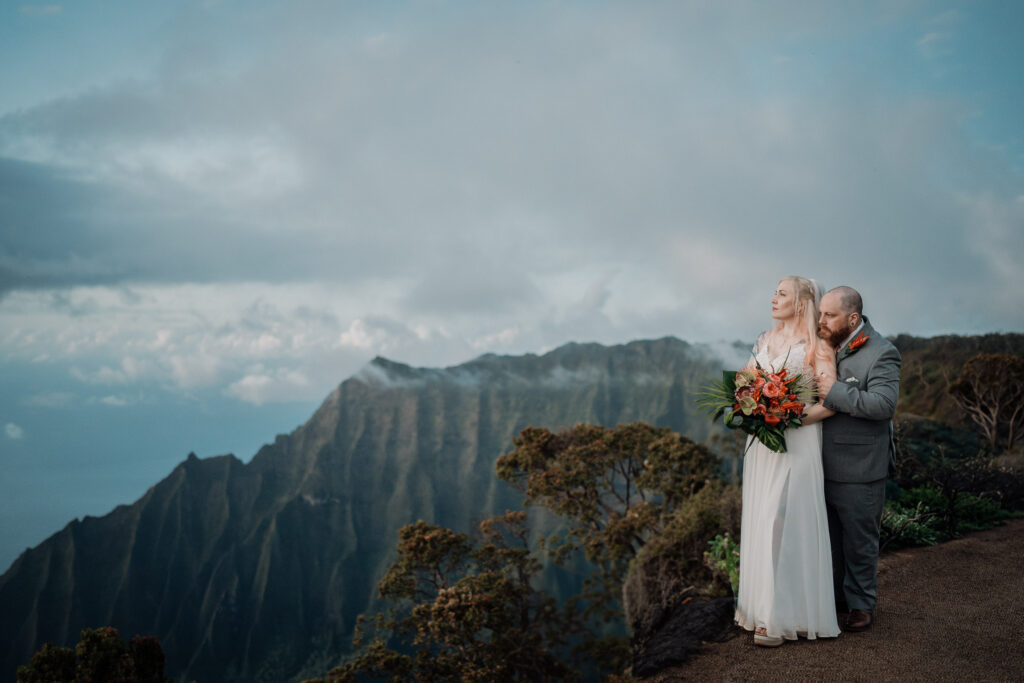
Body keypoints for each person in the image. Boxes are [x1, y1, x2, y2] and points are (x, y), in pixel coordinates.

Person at [735, 276, 841, 647]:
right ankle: (762, 607)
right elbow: (745, 384)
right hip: (763, 444)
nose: (773, 298)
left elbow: (830, 402)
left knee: (781, 518)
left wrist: (788, 418)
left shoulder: (818, 346)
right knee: (763, 520)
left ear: (801, 302)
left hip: (796, 442)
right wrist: (750, 404)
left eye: (781, 293)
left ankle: (779, 617)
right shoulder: (764, 340)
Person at [816, 286, 901, 632]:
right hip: (818, 462)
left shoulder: (882, 353)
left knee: (859, 540)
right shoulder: (823, 344)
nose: (821, 321)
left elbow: (884, 405)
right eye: (820, 313)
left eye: (829, 315)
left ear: (852, 319)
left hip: (859, 467)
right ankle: (836, 597)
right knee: (830, 538)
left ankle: (861, 605)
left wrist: (833, 392)